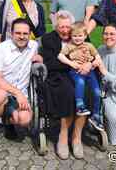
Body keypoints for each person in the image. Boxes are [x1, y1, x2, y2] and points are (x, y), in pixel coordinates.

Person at [0, 18, 42, 152]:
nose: (22, 36)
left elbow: (38, 56)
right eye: (18, 33)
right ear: (11, 33)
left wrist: (40, 59)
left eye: (25, 33)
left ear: (30, 34)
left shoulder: (33, 46)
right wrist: (18, 93)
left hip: (18, 95)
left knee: (25, 119)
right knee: (0, 95)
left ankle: (7, 121)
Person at [41, 11, 92, 160]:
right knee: (69, 91)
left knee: (87, 90)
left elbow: (91, 53)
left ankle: (76, 137)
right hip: (58, 76)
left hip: (80, 73)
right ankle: (63, 136)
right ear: (56, 26)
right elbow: (50, 63)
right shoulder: (48, 39)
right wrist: (72, 63)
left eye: (67, 27)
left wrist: (89, 63)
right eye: (61, 27)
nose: (64, 30)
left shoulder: (80, 35)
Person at [57, 21, 104, 131]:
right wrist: (71, 63)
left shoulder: (89, 46)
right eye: (74, 36)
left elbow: (97, 57)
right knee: (80, 83)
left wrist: (93, 63)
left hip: (90, 71)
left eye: (80, 36)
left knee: (97, 91)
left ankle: (96, 115)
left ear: (85, 36)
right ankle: (80, 106)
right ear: (71, 36)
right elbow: (60, 56)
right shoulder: (69, 46)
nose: (77, 38)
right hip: (76, 70)